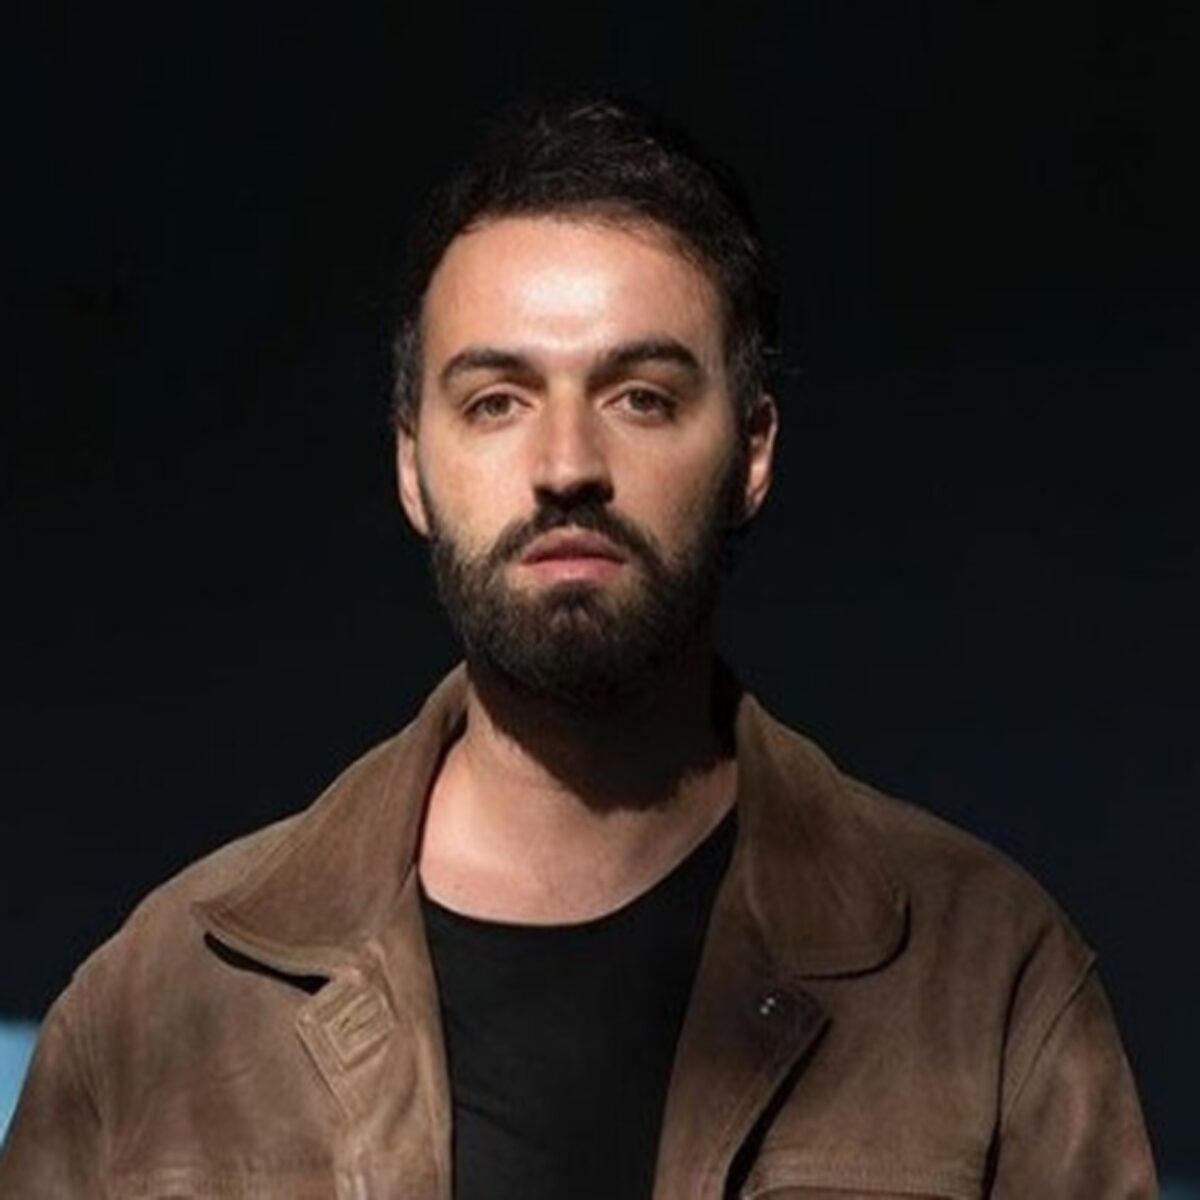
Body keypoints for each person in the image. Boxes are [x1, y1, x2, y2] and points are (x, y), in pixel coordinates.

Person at [0, 96, 1156, 1198]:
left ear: (753, 449)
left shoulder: (987, 980)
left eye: (640, 396)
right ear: (411, 463)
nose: (565, 465)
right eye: (495, 400)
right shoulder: (158, 1005)